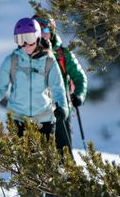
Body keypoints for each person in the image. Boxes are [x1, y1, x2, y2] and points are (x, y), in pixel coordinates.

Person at [0, 18, 69, 140]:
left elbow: (58, 89)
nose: (25, 45)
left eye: (29, 38)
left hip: (44, 121)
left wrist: (63, 109)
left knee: (42, 159)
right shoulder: (12, 60)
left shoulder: (49, 61)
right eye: (21, 39)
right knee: (17, 158)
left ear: (38, 36)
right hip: (17, 121)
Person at [32, 15, 87, 154]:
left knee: (64, 153)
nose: (43, 35)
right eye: (39, 31)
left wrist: (79, 95)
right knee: (37, 154)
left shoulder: (63, 54)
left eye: (46, 30)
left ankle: (70, 175)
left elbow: (79, 77)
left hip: (61, 110)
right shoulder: (27, 54)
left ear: (52, 32)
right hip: (37, 110)